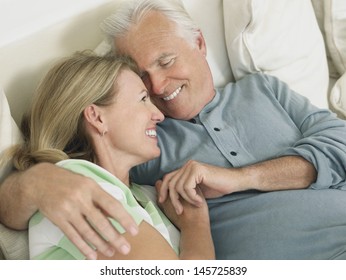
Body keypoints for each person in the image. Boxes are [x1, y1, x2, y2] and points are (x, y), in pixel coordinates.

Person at [1, 0, 346, 259]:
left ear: (198, 44)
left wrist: (242, 178)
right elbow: (59, 180)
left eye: (165, 62)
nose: (159, 86)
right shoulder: (143, 144)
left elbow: (340, 142)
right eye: (142, 82)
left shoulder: (263, 89)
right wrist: (37, 182)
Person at [2, 51, 214, 260]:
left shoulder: (144, 195)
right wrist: (196, 227)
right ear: (97, 117)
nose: (159, 115)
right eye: (143, 99)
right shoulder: (73, 186)